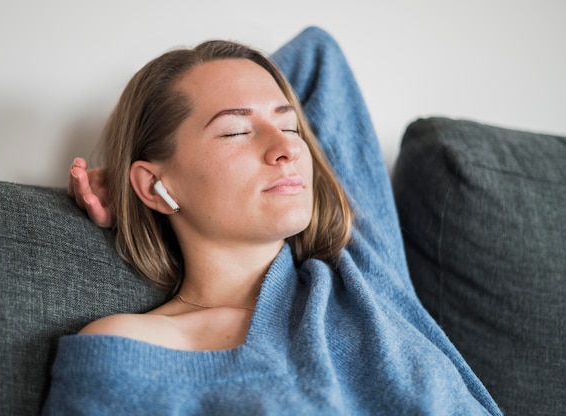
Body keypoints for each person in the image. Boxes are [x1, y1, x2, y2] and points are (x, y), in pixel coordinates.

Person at [44, 27, 502, 415]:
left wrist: (131, 194)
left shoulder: (359, 266)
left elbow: (317, 56)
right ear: (154, 186)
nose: (285, 148)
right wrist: (134, 197)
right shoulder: (130, 349)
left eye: (289, 126)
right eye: (237, 131)